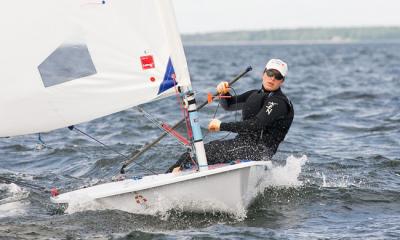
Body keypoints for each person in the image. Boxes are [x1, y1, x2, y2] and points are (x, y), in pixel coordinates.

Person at [167, 59, 294, 172]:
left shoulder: (279, 102)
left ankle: (171, 179)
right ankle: (171, 176)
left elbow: (256, 124)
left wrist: (221, 126)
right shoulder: (254, 94)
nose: (272, 79)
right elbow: (229, 105)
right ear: (263, 73)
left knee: (198, 155)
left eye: (277, 76)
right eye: (270, 73)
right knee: (195, 152)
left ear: (282, 81)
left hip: (258, 151)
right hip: (242, 144)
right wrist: (223, 92)